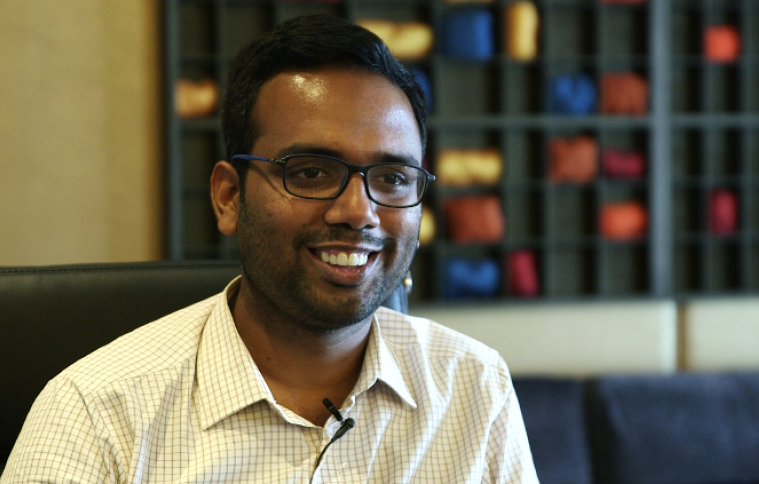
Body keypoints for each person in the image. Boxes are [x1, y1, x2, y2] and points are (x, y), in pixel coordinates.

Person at [0, 14, 538, 483]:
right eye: (309, 171)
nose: (358, 211)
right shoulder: (95, 414)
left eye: (392, 177)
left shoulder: (474, 388)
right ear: (229, 197)